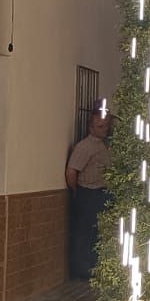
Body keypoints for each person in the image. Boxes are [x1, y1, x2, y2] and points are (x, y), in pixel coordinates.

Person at [65, 112, 112, 281]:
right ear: (91, 128)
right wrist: (78, 191)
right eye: (100, 126)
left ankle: (94, 266)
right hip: (89, 192)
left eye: (106, 126)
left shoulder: (103, 145)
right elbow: (72, 171)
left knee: (96, 232)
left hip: (101, 193)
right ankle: (82, 269)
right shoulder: (85, 147)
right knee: (84, 232)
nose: (105, 129)